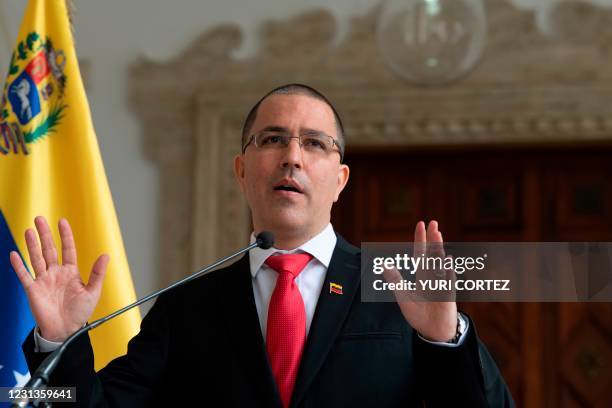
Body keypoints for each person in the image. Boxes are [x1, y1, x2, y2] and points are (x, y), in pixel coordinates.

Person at [12, 84, 514, 407]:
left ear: (340, 180)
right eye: (272, 139)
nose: (292, 157)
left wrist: (445, 340)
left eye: (314, 143)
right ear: (241, 169)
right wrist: (62, 340)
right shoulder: (188, 307)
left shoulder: (399, 292)